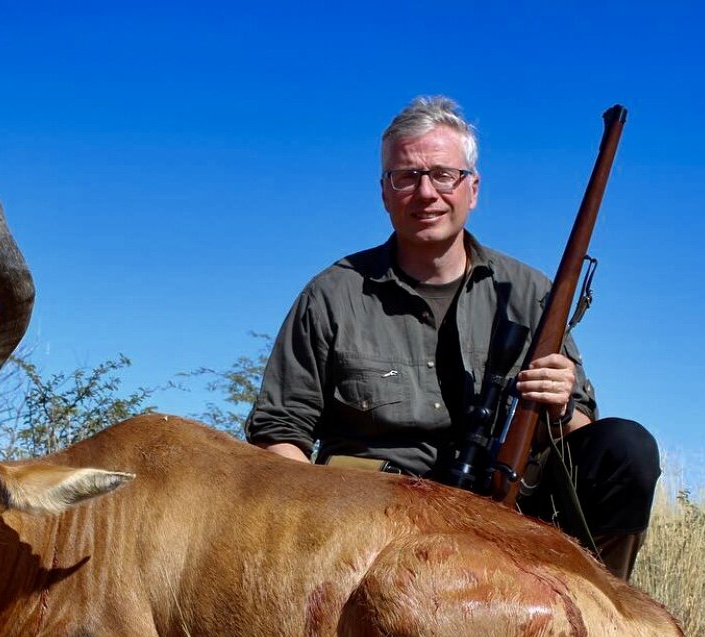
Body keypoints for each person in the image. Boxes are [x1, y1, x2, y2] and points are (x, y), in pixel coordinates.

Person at [245, 95, 659, 580]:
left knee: (625, 447)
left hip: (511, 507)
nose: (426, 193)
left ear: (473, 188)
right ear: (384, 191)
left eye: (444, 174)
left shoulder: (529, 291)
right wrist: (317, 535)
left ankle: (606, 615)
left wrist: (562, 403)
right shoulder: (332, 294)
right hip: (377, 524)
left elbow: (581, 428)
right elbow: (279, 434)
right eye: (407, 176)